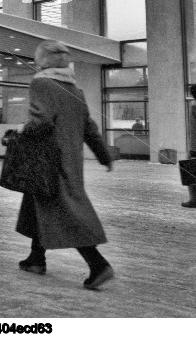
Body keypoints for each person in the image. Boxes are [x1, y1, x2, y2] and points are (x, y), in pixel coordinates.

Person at [14, 40, 115, 290]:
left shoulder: (41, 83)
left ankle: (97, 264)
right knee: (39, 204)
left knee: (64, 211)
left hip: (47, 160)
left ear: (42, 60)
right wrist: (103, 155)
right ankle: (36, 258)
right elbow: (88, 127)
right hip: (71, 161)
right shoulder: (74, 89)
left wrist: (18, 132)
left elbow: (41, 121)